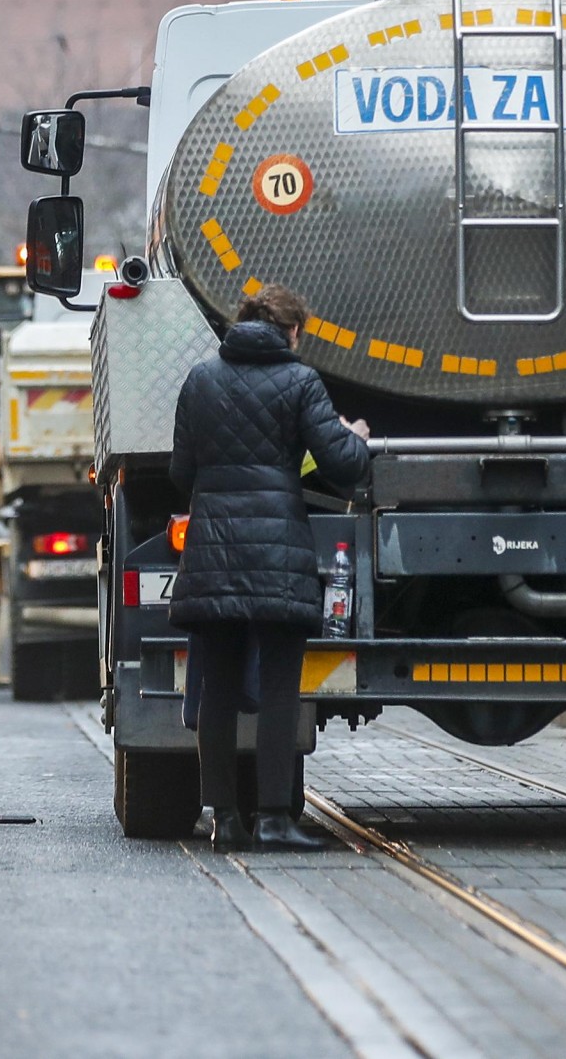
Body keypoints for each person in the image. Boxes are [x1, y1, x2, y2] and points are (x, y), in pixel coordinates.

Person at [168, 282, 370, 851]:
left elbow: (181, 472)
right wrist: (355, 438)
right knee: (281, 686)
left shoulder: (200, 380)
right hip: (278, 552)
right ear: (292, 330)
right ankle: (276, 818)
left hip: (214, 549)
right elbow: (342, 464)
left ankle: (226, 819)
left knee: (219, 685)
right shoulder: (299, 381)